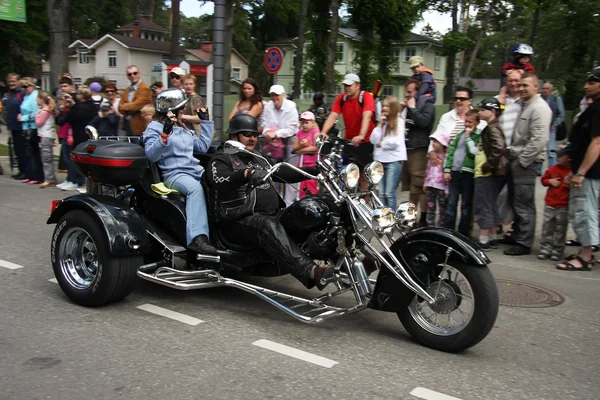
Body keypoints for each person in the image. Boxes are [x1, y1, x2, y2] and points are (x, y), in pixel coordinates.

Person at [205, 114, 335, 290]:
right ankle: (311, 271)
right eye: (247, 134)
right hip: (238, 220)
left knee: (311, 211)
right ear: (234, 136)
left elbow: (281, 173)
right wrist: (245, 174)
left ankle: (343, 258)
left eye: (254, 134)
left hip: (272, 214)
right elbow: (218, 179)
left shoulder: (257, 156)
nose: (252, 138)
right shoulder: (221, 158)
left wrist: (313, 170)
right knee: (266, 225)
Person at [143, 88, 217, 255]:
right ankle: (197, 238)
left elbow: (202, 146)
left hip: (196, 170)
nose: (184, 110)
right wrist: (164, 134)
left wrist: (205, 122)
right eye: (181, 107)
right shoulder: (154, 127)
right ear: (170, 109)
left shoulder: (182, 127)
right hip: (175, 174)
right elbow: (151, 155)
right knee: (194, 189)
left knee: (219, 182)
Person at [556, 68, 600, 271]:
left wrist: (581, 172)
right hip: (587, 171)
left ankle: (585, 256)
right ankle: (587, 252)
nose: (586, 86)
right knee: (587, 212)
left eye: (592, 82)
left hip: (591, 174)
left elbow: (597, 142)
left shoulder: (599, 110)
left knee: (585, 212)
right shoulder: (593, 108)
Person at [504, 73, 552, 256]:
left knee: (524, 203)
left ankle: (524, 243)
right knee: (516, 201)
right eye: (520, 85)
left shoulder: (540, 108)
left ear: (536, 86)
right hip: (516, 158)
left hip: (526, 162)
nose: (521, 88)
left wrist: (523, 160)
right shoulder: (525, 105)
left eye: (525, 85)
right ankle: (517, 235)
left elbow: (539, 139)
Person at [320, 73, 376, 188]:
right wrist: (324, 132)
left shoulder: (365, 97)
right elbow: (333, 115)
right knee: (346, 173)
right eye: (345, 85)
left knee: (363, 177)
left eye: (350, 85)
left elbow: (367, 116)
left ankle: (365, 201)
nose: (347, 88)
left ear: (357, 85)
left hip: (365, 140)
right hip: (349, 140)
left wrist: (361, 135)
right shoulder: (342, 98)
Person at [400, 79, 436, 226]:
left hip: (419, 149)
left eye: (410, 92)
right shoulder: (407, 106)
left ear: (418, 91)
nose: (407, 95)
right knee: (411, 187)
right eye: (406, 92)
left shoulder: (427, 104)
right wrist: (401, 109)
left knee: (420, 185)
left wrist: (413, 108)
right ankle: (411, 217)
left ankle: (424, 218)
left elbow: (423, 122)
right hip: (407, 148)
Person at [473, 98, 508, 250]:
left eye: (482, 110)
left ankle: (484, 238)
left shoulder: (492, 128)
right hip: (492, 173)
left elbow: (499, 148)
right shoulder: (492, 126)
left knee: (483, 204)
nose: (479, 112)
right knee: (491, 204)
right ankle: (493, 236)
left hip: (486, 173)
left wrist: (488, 165)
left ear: (492, 111)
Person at [443, 110, 482, 236]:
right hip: (455, 172)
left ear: (477, 123)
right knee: (451, 203)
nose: (467, 124)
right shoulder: (460, 134)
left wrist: (468, 137)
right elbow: (451, 152)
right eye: (466, 121)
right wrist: (447, 169)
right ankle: (449, 229)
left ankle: (463, 232)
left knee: (466, 205)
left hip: (467, 174)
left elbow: (473, 152)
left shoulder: (478, 136)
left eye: (470, 122)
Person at [260, 84, 300, 205]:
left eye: (277, 95)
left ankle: (289, 203)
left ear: (283, 95)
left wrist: (275, 133)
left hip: (289, 141)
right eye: (272, 95)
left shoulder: (291, 107)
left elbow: (292, 129)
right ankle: (272, 201)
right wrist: (267, 132)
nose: (274, 97)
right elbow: (264, 123)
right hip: (273, 143)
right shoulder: (268, 106)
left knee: (290, 172)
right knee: (271, 171)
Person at [56, 86, 99, 191]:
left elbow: (62, 121)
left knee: (75, 159)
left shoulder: (77, 108)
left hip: (78, 136)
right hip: (89, 136)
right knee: (84, 160)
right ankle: (74, 180)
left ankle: (74, 180)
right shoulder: (93, 106)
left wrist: (61, 110)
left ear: (82, 96)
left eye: (78, 94)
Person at [369, 96, 407, 209]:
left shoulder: (399, 122)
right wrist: (380, 124)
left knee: (389, 193)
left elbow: (396, 142)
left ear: (393, 108)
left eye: (387, 106)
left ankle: (391, 220)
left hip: (393, 161)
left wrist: (382, 144)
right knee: (381, 194)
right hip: (380, 161)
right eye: (383, 105)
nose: (384, 108)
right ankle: (383, 218)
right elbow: (373, 139)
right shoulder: (383, 122)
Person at [538, 148, 571, 261]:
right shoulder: (552, 169)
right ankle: (545, 249)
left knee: (560, 229)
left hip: (563, 205)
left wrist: (569, 184)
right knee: (547, 227)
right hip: (550, 204)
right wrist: (549, 181)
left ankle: (557, 250)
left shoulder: (571, 172)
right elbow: (543, 180)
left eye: (561, 156)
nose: (558, 158)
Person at [17, 77, 43, 185]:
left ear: (32, 86)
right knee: (28, 152)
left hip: (32, 127)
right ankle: (30, 174)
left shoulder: (35, 97)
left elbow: (36, 113)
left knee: (34, 153)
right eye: (22, 87)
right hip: (25, 127)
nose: (24, 89)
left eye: (26, 86)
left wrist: (22, 118)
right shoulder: (26, 97)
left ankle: (37, 175)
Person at [424, 130, 449, 227]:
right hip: (431, 185)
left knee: (442, 209)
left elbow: (447, 174)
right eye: (433, 141)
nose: (433, 144)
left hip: (442, 187)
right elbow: (428, 170)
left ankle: (442, 226)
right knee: (430, 207)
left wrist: (447, 189)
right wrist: (425, 183)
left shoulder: (446, 158)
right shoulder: (432, 157)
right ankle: (430, 225)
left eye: (436, 142)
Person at [3, 73, 27, 180]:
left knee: (23, 151)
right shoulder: (9, 93)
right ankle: (21, 170)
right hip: (12, 126)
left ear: (18, 81)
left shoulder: (21, 93)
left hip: (21, 126)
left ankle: (26, 171)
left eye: (13, 81)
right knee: (17, 150)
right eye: (9, 82)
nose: (11, 83)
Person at [292, 111, 321, 198]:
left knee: (311, 183)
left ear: (312, 123)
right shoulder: (299, 133)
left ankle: (312, 199)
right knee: (301, 185)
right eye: (303, 123)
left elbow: (316, 147)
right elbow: (294, 148)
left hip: (312, 163)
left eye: (307, 122)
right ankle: (301, 200)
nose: (304, 125)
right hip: (302, 164)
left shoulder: (315, 132)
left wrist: (301, 150)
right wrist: (300, 145)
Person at [118, 65, 152, 135]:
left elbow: (136, 105)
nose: (132, 76)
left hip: (140, 125)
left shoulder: (145, 88)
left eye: (135, 73)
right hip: (127, 124)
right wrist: (128, 107)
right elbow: (119, 107)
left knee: (138, 145)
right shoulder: (127, 90)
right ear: (127, 76)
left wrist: (125, 106)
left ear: (139, 74)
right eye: (129, 74)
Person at [541, 81, 565, 169]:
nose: (545, 90)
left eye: (547, 89)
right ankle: (538, 170)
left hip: (551, 128)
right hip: (540, 127)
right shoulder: (539, 99)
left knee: (551, 150)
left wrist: (555, 124)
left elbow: (561, 114)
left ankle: (552, 168)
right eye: (543, 88)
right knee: (539, 149)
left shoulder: (556, 99)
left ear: (551, 90)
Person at [34, 92, 57, 188]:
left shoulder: (45, 111)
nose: (36, 101)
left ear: (41, 99)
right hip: (46, 135)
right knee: (47, 158)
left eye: (37, 99)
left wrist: (36, 115)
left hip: (46, 136)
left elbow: (39, 123)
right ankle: (50, 178)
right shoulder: (46, 110)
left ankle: (49, 179)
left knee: (46, 158)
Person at [55, 94, 71, 173]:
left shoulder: (68, 111)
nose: (59, 103)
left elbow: (62, 121)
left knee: (67, 156)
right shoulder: (63, 111)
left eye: (60, 100)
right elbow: (58, 121)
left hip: (67, 134)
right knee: (64, 154)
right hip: (62, 133)